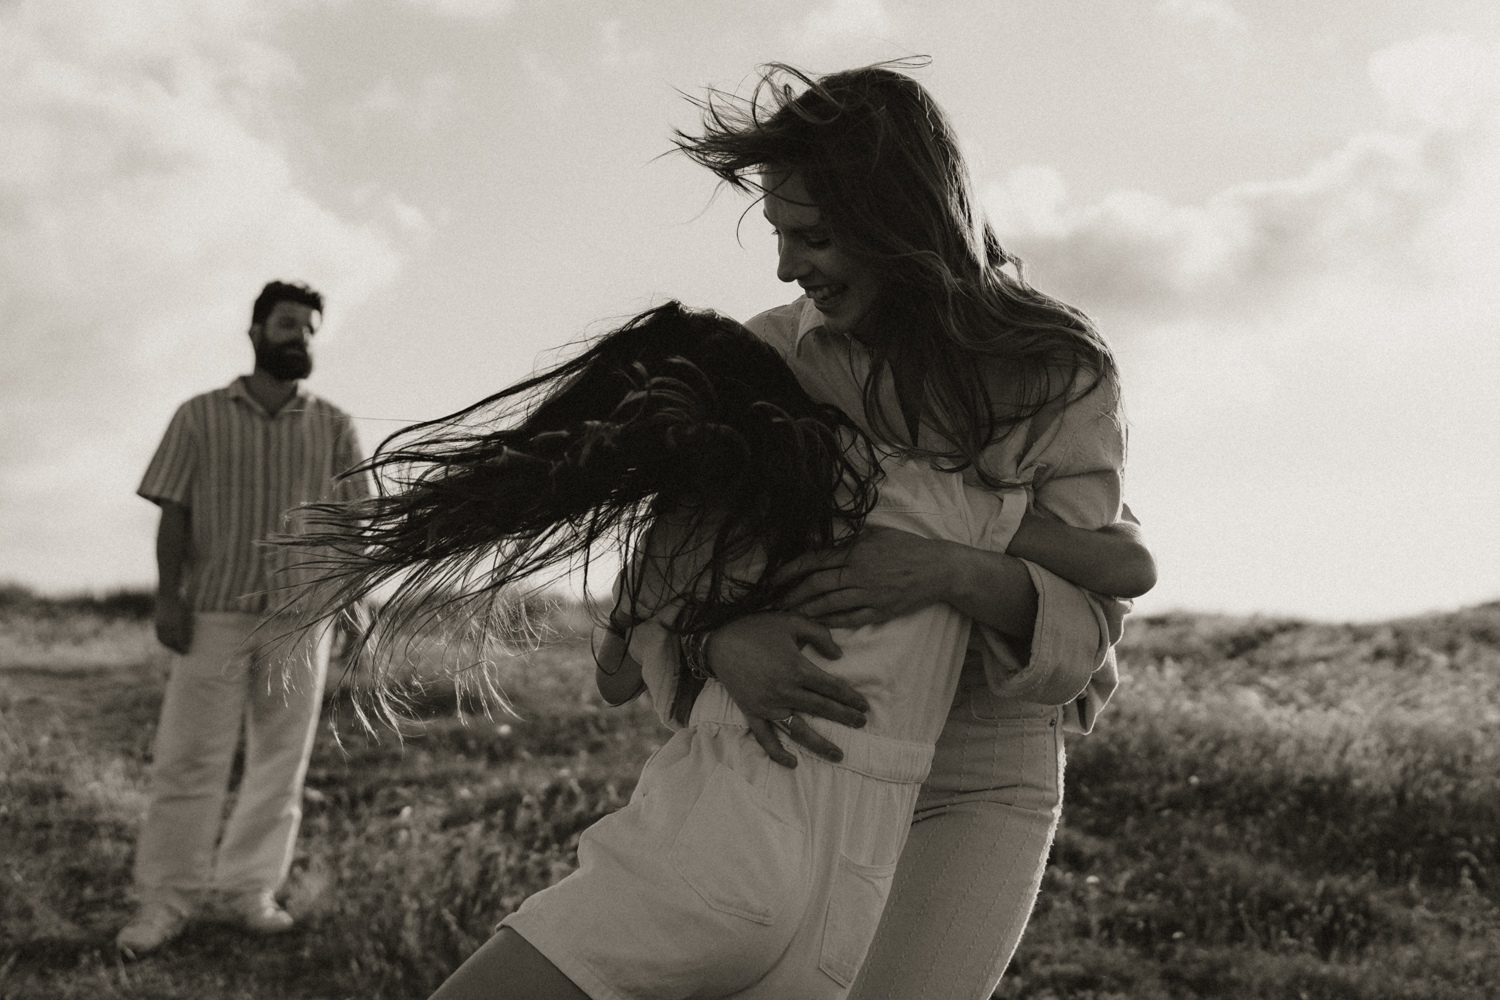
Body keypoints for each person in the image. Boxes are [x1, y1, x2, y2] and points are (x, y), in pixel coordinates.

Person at [287, 302, 1151, 999]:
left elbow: (619, 678)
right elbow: (1131, 564)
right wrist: (957, 563)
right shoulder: (925, 498)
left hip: (717, 852)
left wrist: (701, 627)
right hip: (848, 897)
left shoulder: (691, 533)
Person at [672, 61, 1151, 997]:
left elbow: (1094, 611)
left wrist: (946, 567)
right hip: (809, 735)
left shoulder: (1059, 367)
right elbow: (674, 563)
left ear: (899, 217)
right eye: (778, 235)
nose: (784, 267)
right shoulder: (771, 356)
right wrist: (721, 640)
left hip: (984, 761)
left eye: (810, 235)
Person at [115, 280, 371, 958]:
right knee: (188, 761)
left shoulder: (336, 426)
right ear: (256, 331)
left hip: (300, 620)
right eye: (289, 324)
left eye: (311, 328)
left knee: (279, 766)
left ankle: (249, 892)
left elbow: (354, 526)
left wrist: (352, 602)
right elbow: (175, 513)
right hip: (214, 616)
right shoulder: (198, 415)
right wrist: (168, 597)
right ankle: (166, 902)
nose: (301, 337)